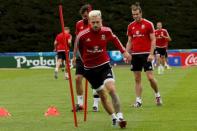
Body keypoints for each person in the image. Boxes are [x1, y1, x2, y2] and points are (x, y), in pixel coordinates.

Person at [74, 10, 131, 128]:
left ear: (101, 21)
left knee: (111, 89)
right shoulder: (82, 35)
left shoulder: (107, 31)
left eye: (97, 22)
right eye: (93, 22)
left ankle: (120, 116)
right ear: (89, 22)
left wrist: (124, 52)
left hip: (104, 65)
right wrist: (82, 61)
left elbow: (115, 40)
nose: (95, 25)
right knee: (103, 96)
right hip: (89, 70)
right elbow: (78, 48)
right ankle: (114, 118)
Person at [126, 2, 162, 107]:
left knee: (150, 78)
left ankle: (157, 95)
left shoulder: (148, 24)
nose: (135, 16)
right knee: (137, 79)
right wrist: (127, 53)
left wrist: (151, 54)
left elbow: (153, 39)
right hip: (135, 55)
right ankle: (138, 101)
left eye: (137, 14)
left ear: (141, 13)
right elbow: (129, 41)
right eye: (133, 14)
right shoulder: (130, 26)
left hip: (147, 54)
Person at [72, 4, 100, 112]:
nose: (84, 18)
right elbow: (77, 40)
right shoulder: (78, 24)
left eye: (86, 16)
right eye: (83, 16)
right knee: (78, 78)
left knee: (94, 80)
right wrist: (74, 55)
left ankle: (95, 103)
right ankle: (80, 104)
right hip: (81, 55)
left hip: (93, 55)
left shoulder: (95, 23)